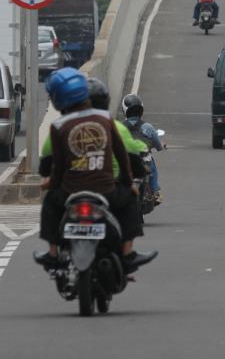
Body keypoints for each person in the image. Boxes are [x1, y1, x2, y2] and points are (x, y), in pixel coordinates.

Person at [34, 68, 157, 273]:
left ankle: (52, 253)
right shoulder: (106, 121)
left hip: (70, 192)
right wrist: (129, 185)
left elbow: (58, 168)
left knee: (50, 203)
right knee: (129, 203)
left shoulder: (58, 126)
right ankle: (128, 253)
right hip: (106, 190)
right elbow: (122, 156)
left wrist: (51, 184)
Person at [122, 93, 165, 205]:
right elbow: (159, 146)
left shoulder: (119, 127)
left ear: (124, 110)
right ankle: (155, 192)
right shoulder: (148, 127)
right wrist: (161, 145)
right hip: (144, 160)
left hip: (125, 160)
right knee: (151, 164)